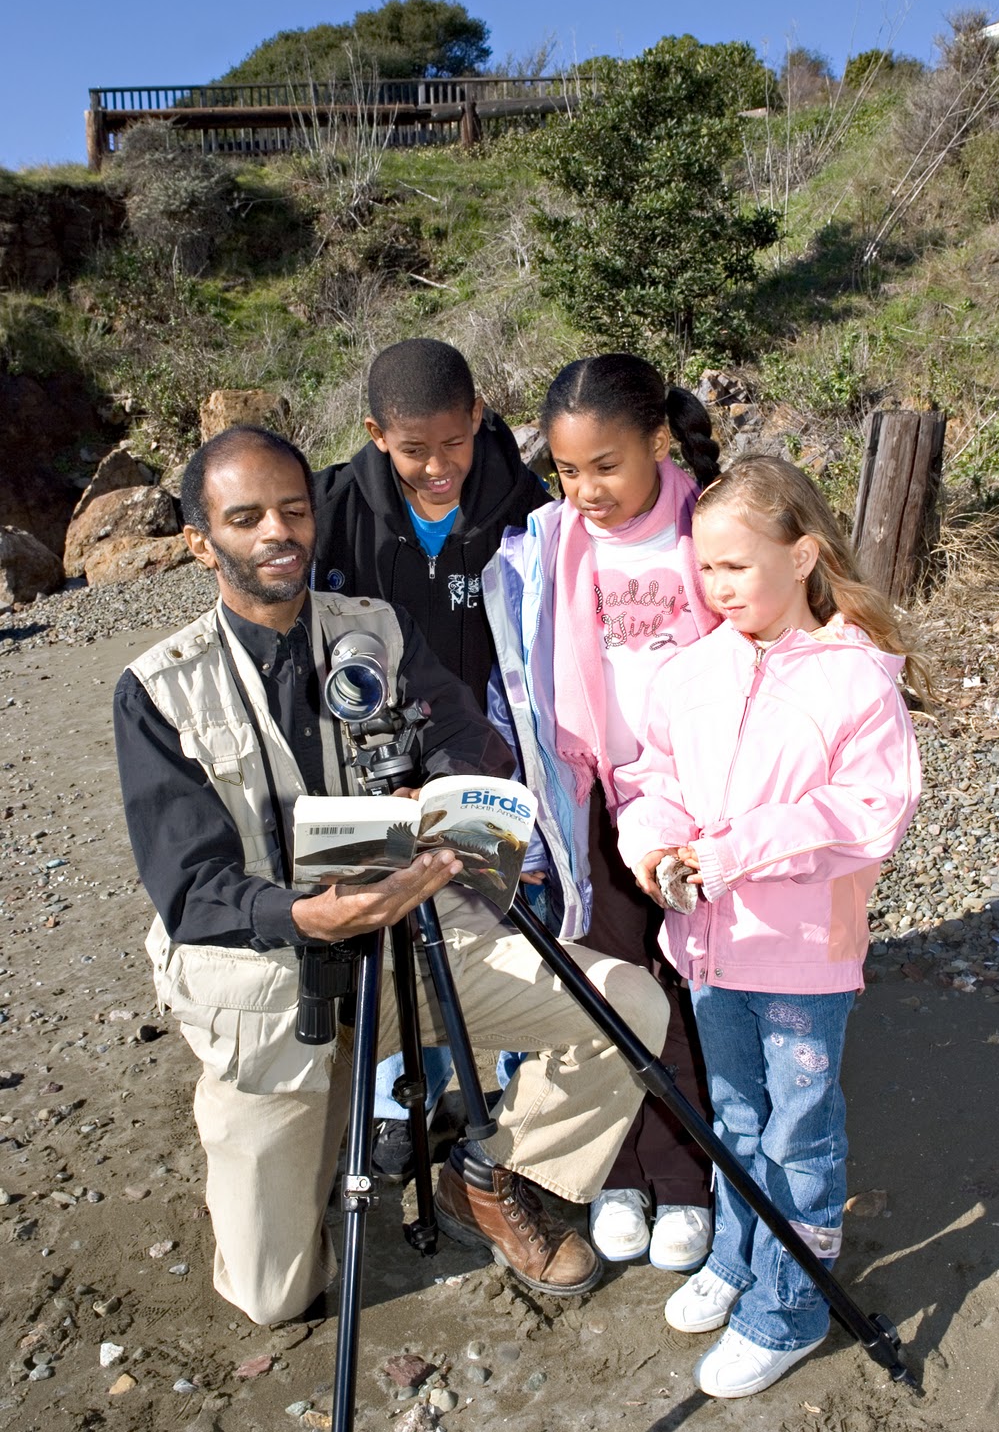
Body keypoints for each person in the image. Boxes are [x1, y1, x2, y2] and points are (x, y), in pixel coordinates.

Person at [113, 425, 670, 1327]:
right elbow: (192, 890)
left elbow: (468, 737)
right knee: (273, 1297)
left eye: (293, 510)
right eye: (245, 517)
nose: (276, 534)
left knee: (628, 1010)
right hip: (274, 983)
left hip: (415, 936)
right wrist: (309, 916)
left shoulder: (375, 629)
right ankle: (295, 1129)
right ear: (199, 539)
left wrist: (447, 790)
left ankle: (484, 1176)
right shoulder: (157, 690)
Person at [615, 455, 924, 1398]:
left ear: (803, 556)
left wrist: (736, 849)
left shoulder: (853, 681)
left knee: (798, 1131)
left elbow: (872, 809)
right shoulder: (691, 672)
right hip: (710, 948)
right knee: (736, 1117)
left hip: (801, 957)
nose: (717, 589)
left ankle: (787, 1305)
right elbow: (652, 779)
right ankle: (742, 1254)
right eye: (704, 569)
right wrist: (655, 845)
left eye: (736, 568)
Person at [484, 354, 720, 1277]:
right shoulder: (545, 545)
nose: (586, 490)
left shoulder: (709, 526)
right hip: (586, 801)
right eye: (568, 471)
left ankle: (693, 1175)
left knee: (698, 990)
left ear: (657, 443)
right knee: (613, 988)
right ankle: (622, 1172)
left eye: (606, 466)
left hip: (697, 806)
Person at [313, 338, 551, 1181]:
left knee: (505, 914)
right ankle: (396, 1097)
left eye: (453, 442)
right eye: (415, 450)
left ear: (477, 418)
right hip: (368, 765)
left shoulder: (525, 500)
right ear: (377, 434)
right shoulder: (329, 510)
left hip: (488, 750)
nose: (438, 466)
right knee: (387, 922)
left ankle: (525, 1096)